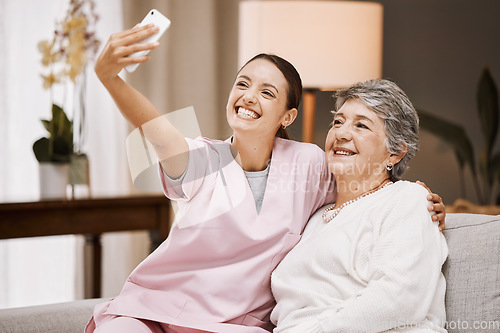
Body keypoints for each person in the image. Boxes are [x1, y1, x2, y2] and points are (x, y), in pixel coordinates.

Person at [87, 24, 446, 333]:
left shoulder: (310, 164)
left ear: (288, 116)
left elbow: (367, 182)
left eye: (267, 92)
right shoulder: (202, 159)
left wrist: (418, 195)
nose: (248, 96)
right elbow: (157, 130)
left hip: (233, 324)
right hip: (154, 309)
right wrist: (109, 78)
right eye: (243, 83)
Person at [271, 79, 448, 332]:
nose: (341, 133)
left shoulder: (408, 199)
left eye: (361, 125)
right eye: (338, 122)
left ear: (395, 153)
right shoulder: (316, 214)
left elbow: (399, 298)